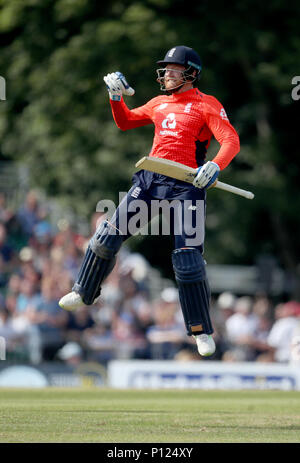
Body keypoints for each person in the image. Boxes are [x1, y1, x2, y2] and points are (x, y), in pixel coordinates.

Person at [59, 45, 240, 357]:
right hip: (151, 180)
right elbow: (126, 121)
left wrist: (215, 165)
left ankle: (200, 330)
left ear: (191, 74)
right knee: (107, 236)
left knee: (188, 260)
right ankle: (83, 291)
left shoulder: (206, 104)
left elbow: (230, 140)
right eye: (165, 69)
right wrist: (116, 98)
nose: (167, 73)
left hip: (187, 185)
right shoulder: (158, 103)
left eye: (173, 69)